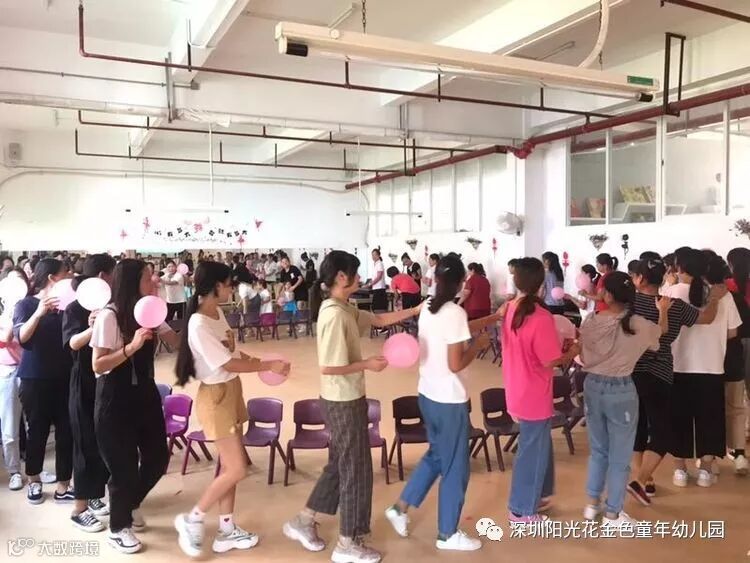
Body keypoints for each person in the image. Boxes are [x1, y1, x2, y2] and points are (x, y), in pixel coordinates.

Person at [282, 250, 422, 563]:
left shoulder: (344, 307)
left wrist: (416, 310)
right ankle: (349, 541)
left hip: (347, 397)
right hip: (341, 400)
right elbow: (329, 367)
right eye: (356, 273)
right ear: (342, 277)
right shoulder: (334, 315)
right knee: (357, 470)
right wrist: (367, 364)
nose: (360, 278)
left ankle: (303, 520)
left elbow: (380, 319)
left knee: (339, 464)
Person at [173, 261, 289, 557]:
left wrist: (260, 361)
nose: (232, 289)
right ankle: (192, 519)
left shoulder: (218, 313)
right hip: (216, 398)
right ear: (215, 287)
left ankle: (226, 530)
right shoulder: (199, 323)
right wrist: (266, 365)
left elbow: (232, 353)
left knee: (229, 467)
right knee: (237, 468)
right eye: (228, 285)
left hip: (231, 390)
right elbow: (226, 363)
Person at [384, 255, 498, 551]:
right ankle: (447, 533)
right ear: (461, 283)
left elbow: (457, 329)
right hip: (449, 400)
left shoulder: (428, 308)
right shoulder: (454, 313)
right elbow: (456, 363)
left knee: (437, 455)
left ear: (436, 280)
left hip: (428, 395)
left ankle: (400, 508)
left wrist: (493, 319)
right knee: (456, 467)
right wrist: (478, 346)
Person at [91, 259, 180, 554]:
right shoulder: (110, 316)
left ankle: (129, 504)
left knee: (157, 459)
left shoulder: (150, 310)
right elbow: (98, 364)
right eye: (147, 277)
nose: (153, 281)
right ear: (131, 282)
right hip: (114, 399)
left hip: (145, 394)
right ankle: (118, 528)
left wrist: (200, 331)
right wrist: (131, 347)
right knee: (123, 467)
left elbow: (175, 342)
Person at [626, 257, 724, 506]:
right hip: (659, 374)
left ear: (640, 279)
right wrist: (714, 298)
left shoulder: (629, 303)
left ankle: (644, 480)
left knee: (637, 428)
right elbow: (706, 318)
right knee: (661, 431)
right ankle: (641, 479)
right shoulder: (674, 305)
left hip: (630, 373)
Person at [579, 272, 667, 528]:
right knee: (620, 455)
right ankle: (613, 514)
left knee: (598, 450)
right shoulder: (639, 324)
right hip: (621, 390)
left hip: (592, 386)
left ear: (607, 295)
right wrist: (662, 311)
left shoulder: (590, 321)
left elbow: (582, 353)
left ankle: (592, 504)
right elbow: (660, 334)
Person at [500, 257, 579, 524]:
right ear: (541, 284)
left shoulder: (510, 308)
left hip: (517, 385)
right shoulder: (540, 316)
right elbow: (549, 360)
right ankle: (520, 509)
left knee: (539, 444)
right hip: (533, 391)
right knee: (531, 450)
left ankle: (539, 494)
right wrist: (573, 351)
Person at [665, 253, 740, 488]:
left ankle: (680, 470)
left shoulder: (670, 293)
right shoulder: (722, 295)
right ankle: (706, 471)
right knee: (710, 419)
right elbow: (732, 332)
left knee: (678, 418)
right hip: (711, 366)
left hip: (677, 366)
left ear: (680, 268)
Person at [13, 258, 74, 505]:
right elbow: (22, 337)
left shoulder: (69, 305)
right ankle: (34, 480)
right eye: (65, 273)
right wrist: (39, 313)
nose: (70, 277)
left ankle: (63, 486)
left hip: (66, 377)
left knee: (66, 433)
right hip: (34, 378)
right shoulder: (26, 304)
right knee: (36, 432)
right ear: (52, 278)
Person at [63, 254, 117, 532]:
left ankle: (95, 495)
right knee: (84, 444)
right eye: (113, 273)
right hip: (83, 381)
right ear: (102, 277)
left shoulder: (111, 306)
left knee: (103, 441)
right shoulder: (75, 308)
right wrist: (91, 328)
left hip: (105, 381)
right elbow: (72, 343)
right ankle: (79, 509)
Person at [0, 268, 28, 492]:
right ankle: (14, 471)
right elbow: (4, 339)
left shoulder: (31, 309)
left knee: (34, 423)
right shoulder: (5, 314)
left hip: (30, 370)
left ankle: (35, 469)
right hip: (7, 371)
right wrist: (10, 314)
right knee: (9, 425)